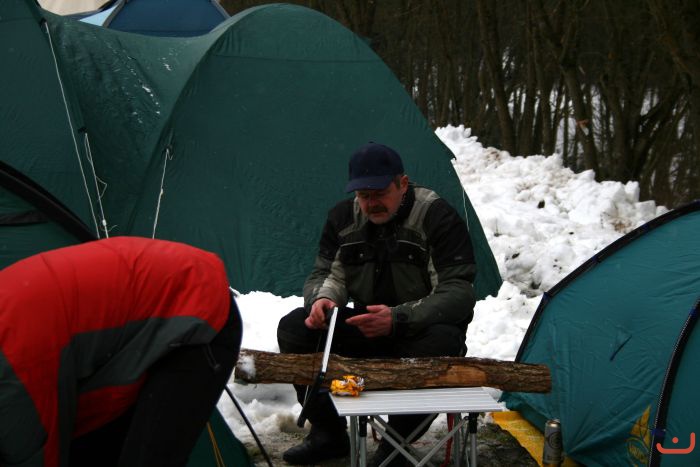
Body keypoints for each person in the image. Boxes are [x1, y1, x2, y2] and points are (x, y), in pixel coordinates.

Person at [277, 142, 477, 466]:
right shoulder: (343, 218)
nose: (372, 204)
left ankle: (395, 444)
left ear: (403, 183)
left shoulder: (436, 216)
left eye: (380, 193)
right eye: (363, 195)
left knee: (444, 341)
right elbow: (327, 274)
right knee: (294, 328)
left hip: (419, 331)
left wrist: (399, 317)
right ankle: (328, 434)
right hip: (367, 328)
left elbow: (458, 292)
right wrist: (322, 300)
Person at [0, 236, 242, 467]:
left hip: (193, 308)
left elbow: (34, 454)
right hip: (134, 322)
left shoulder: (15, 362)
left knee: (147, 458)